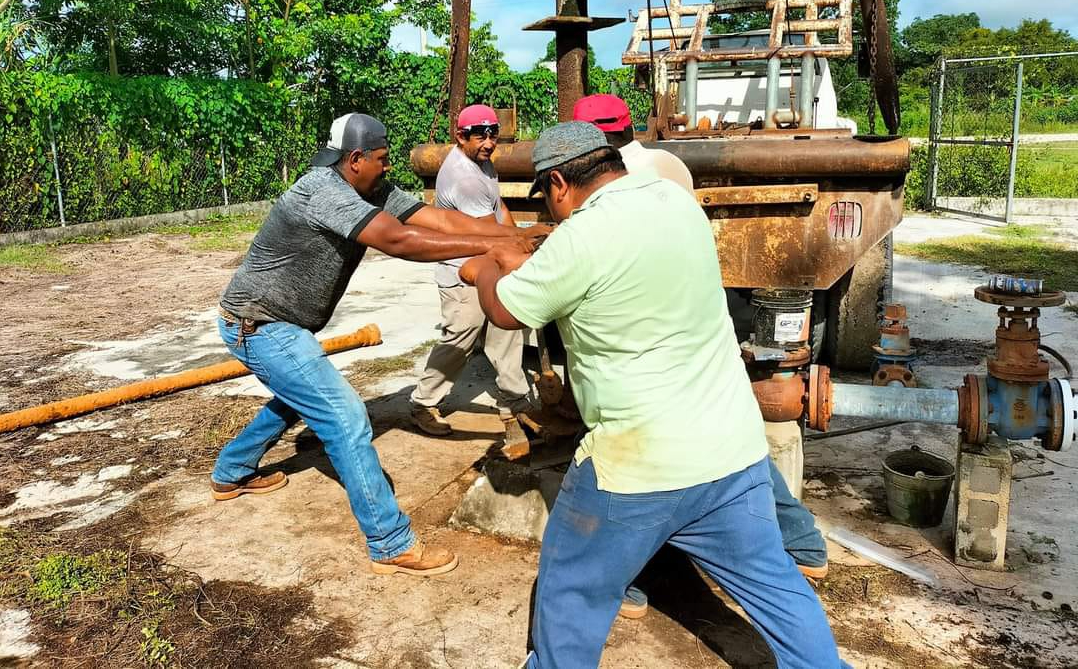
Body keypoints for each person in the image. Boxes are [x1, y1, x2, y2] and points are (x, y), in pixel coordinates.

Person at [461, 122, 849, 668]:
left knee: (570, 589)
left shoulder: (581, 237)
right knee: (776, 588)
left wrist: (481, 270)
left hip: (637, 466)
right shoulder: (677, 201)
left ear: (557, 183)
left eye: (548, 201)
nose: (552, 213)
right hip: (730, 452)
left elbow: (505, 309)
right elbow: (618, 273)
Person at [210, 113, 542, 578]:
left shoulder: (371, 188)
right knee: (344, 417)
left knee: (298, 397)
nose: (388, 168)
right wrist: (493, 250)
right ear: (355, 158)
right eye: (382, 159)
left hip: (280, 324)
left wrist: (515, 234)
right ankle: (389, 542)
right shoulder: (321, 190)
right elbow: (402, 241)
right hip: (258, 325)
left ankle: (231, 472)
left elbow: (442, 220)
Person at [573, 93, 830, 583]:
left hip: (651, 343)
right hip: (700, 329)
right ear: (631, 126)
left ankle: (626, 579)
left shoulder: (608, 188)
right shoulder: (668, 166)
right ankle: (802, 542)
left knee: (630, 460)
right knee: (734, 446)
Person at [410, 104, 531, 436]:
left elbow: (498, 206)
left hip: (487, 263)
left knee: (506, 329)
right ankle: (423, 403)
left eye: (493, 134)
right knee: (459, 339)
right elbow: (484, 231)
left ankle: (515, 403)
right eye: (481, 135)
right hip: (460, 271)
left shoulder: (482, 163)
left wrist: (518, 233)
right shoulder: (464, 177)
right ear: (460, 136)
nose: (489, 142)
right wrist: (521, 248)